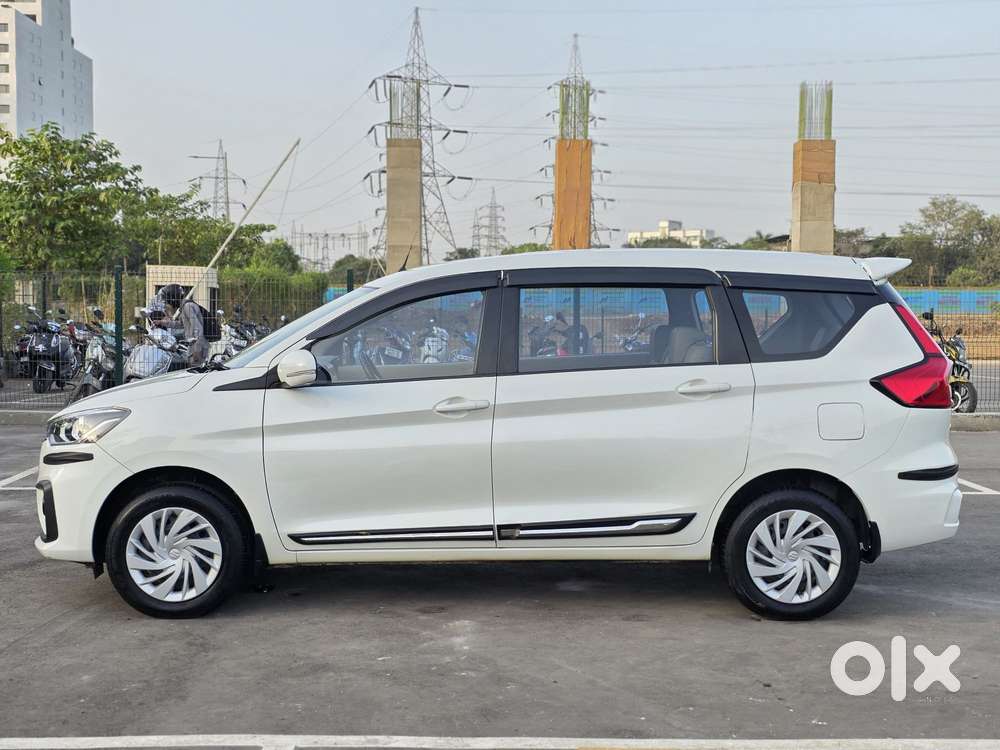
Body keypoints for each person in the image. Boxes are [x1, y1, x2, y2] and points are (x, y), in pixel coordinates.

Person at [157, 283, 208, 366]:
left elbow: (198, 329)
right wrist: (163, 323)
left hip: (198, 348)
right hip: (193, 347)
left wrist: (197, 350)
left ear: (173, 299)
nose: (167, 304)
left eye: (167, 301)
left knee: (194, 374)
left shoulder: (188, 307)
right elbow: (181, 324)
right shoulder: (184, 307)